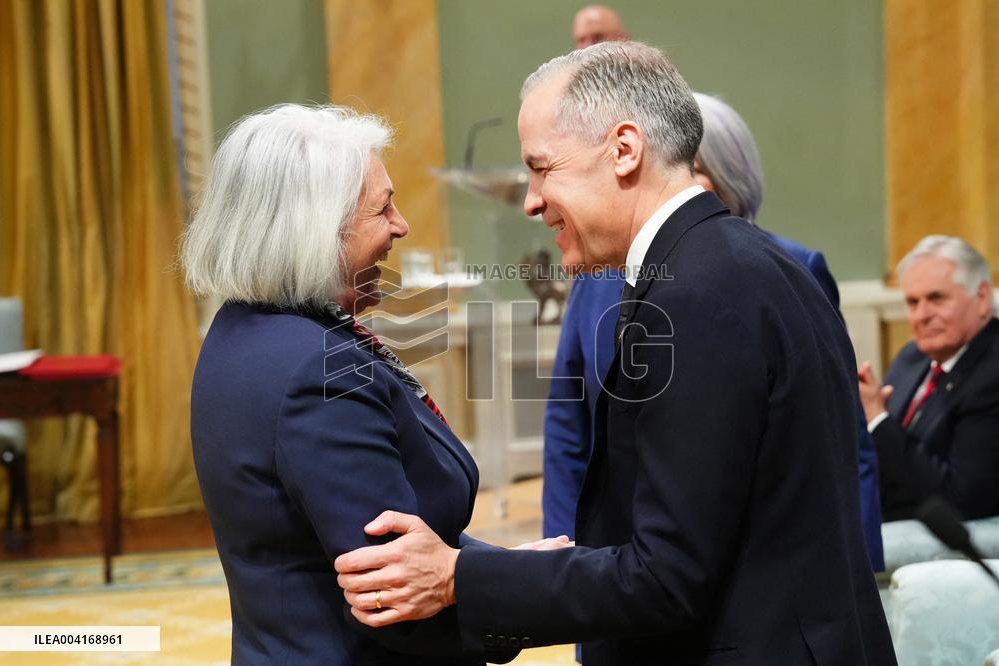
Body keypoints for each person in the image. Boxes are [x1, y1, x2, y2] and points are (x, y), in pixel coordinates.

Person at [336, 43, 895, 665]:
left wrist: (457, 578)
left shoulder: (698, 295)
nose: (530, 199)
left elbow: (667, 576)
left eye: (541, 168)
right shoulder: (742, 262)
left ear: (624, 150)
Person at [180, 104, 526, 665]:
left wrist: (501, 567)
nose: (401, 224)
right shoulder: (315, 371)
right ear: (316, 230)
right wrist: (532, 593)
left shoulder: (245, 331)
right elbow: (393, 600)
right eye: (383, 207)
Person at [543, 91, 886, 570]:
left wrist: (861, 565)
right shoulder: (597, 274)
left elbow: (840, 435)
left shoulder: (793, 266)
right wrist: (564, 559)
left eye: (692, 173)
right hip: (614, 572)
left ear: (730, 179)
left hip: (750, 566)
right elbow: (568, 424)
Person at [858, 235, 999, 521]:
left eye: (936, 298)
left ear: (982, 298)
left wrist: (876, 418)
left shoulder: (992, 373)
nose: (921, 315)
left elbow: (961, 497)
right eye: (912, 302)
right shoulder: (914, 356)